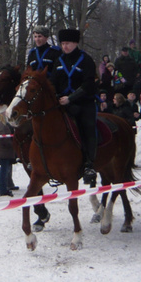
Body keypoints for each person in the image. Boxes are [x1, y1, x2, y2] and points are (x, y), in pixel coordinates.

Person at [50, 28, 98, 186]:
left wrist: (71, 98)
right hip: (62, 103)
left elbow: (89, 84)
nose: (65, 47)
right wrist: (56, 97)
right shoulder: (58, 61)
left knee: (88, 126)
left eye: (68, 43)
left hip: (83, 102)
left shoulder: (86, 60)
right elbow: (53, 82)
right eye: (63, 43)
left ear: (75, 43)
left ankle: (89, 164)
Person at [0, 119, 17, 196]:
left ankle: (7, 185)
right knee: (4, 169)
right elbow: (4, 137)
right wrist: (13, 144)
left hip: (4, 150)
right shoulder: (0, 122)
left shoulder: (1, 121)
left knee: (6, 168)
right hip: (4, 150)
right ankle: (2, 188)